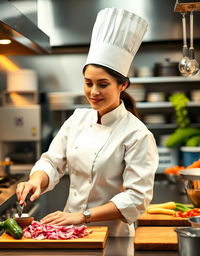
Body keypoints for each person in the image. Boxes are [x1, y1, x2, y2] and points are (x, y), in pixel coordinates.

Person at [16, 7, 159, 237]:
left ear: (122, 85)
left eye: (103, 84)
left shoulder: (137, 134)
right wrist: (35, 180)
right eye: (88, 83)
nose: (93, 92)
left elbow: (136, 198)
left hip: (113, 237)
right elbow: (52, 163)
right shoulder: (78, 119)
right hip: (67, 232)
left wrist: (82, 216)